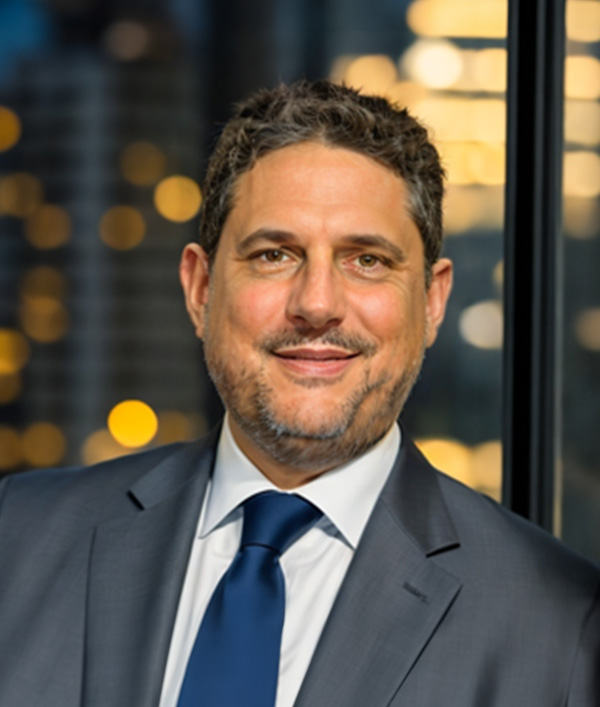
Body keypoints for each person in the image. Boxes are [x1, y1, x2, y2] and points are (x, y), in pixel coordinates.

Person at [0, 79, 598, 707]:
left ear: (431, 300)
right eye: (274, 255)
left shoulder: (564, 628)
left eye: (366, 260)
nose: (316, 304)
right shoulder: (17, 537)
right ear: (200, 289)